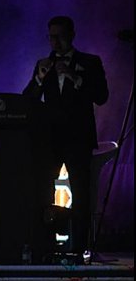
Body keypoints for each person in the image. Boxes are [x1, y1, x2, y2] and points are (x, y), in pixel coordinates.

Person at [22, 16, 109, 259]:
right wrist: (39, 79)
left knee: (81, 192)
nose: (55, 42)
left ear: (71, 35)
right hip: (49, 139)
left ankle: (80, 248)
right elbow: (27, 100)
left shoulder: (90, 62)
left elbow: (102, 96)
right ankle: (44, 246)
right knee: (42, 191)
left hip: (78, 138)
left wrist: (75, 77)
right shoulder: (44, 64)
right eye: (51, 37)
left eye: (59, 36)